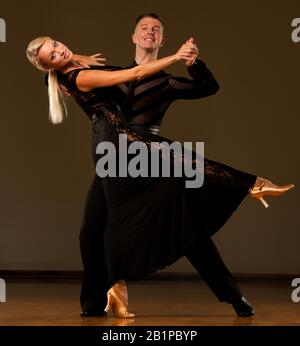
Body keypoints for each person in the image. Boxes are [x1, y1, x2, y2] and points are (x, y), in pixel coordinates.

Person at [26, 34, 294, 319]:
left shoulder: (148, 79)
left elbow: (206, 86)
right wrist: (177, 56)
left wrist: (189, 62)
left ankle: (230, 291)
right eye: (52, 55)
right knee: (95, 228)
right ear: (135, 37)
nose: (60, 51)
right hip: (121, 146)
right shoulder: (88, 75)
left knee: (176, 221)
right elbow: (133, 72)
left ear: (159, 38)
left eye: (56, 45)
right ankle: (251, 184)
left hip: (121, 150)